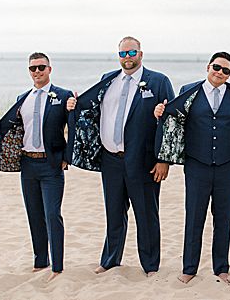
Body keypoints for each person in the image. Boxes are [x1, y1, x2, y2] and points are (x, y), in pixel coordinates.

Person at [153, 51, 230, 284]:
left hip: (227, 167)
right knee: (194, 217)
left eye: (225, 70)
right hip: (196, 166)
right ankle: (189, 268)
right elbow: (174, 117)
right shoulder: (188, 92)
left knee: (223, 217)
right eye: (216, 68)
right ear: (208, 67)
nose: (220, 73)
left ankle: (221, 267)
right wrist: (160, 112)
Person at [65, 36, 175, 276]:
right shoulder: (108, 80)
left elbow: (171, 121)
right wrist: (74, 105)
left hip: (144, 162)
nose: (127, 58)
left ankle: (150, 265)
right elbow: (91, 109)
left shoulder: (158, 81)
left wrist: (164, 159)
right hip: (111, 159)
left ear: (141, 54)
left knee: (146, 214)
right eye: (123, 54)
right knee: (114, 212)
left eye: (131, 52)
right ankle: (110, 260)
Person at [0, 52, 74, 281]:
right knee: (34, 214)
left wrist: (66, 157)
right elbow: (12, 127)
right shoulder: (23, 97)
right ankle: (41, 261)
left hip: (51, 165)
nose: (37, 72)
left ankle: (57, 266)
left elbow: (73, 126)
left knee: (52, 214)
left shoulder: (63, 96)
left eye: (41, 67)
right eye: (33, 68)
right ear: (29, 71)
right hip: (27, 164)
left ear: (50, 69)